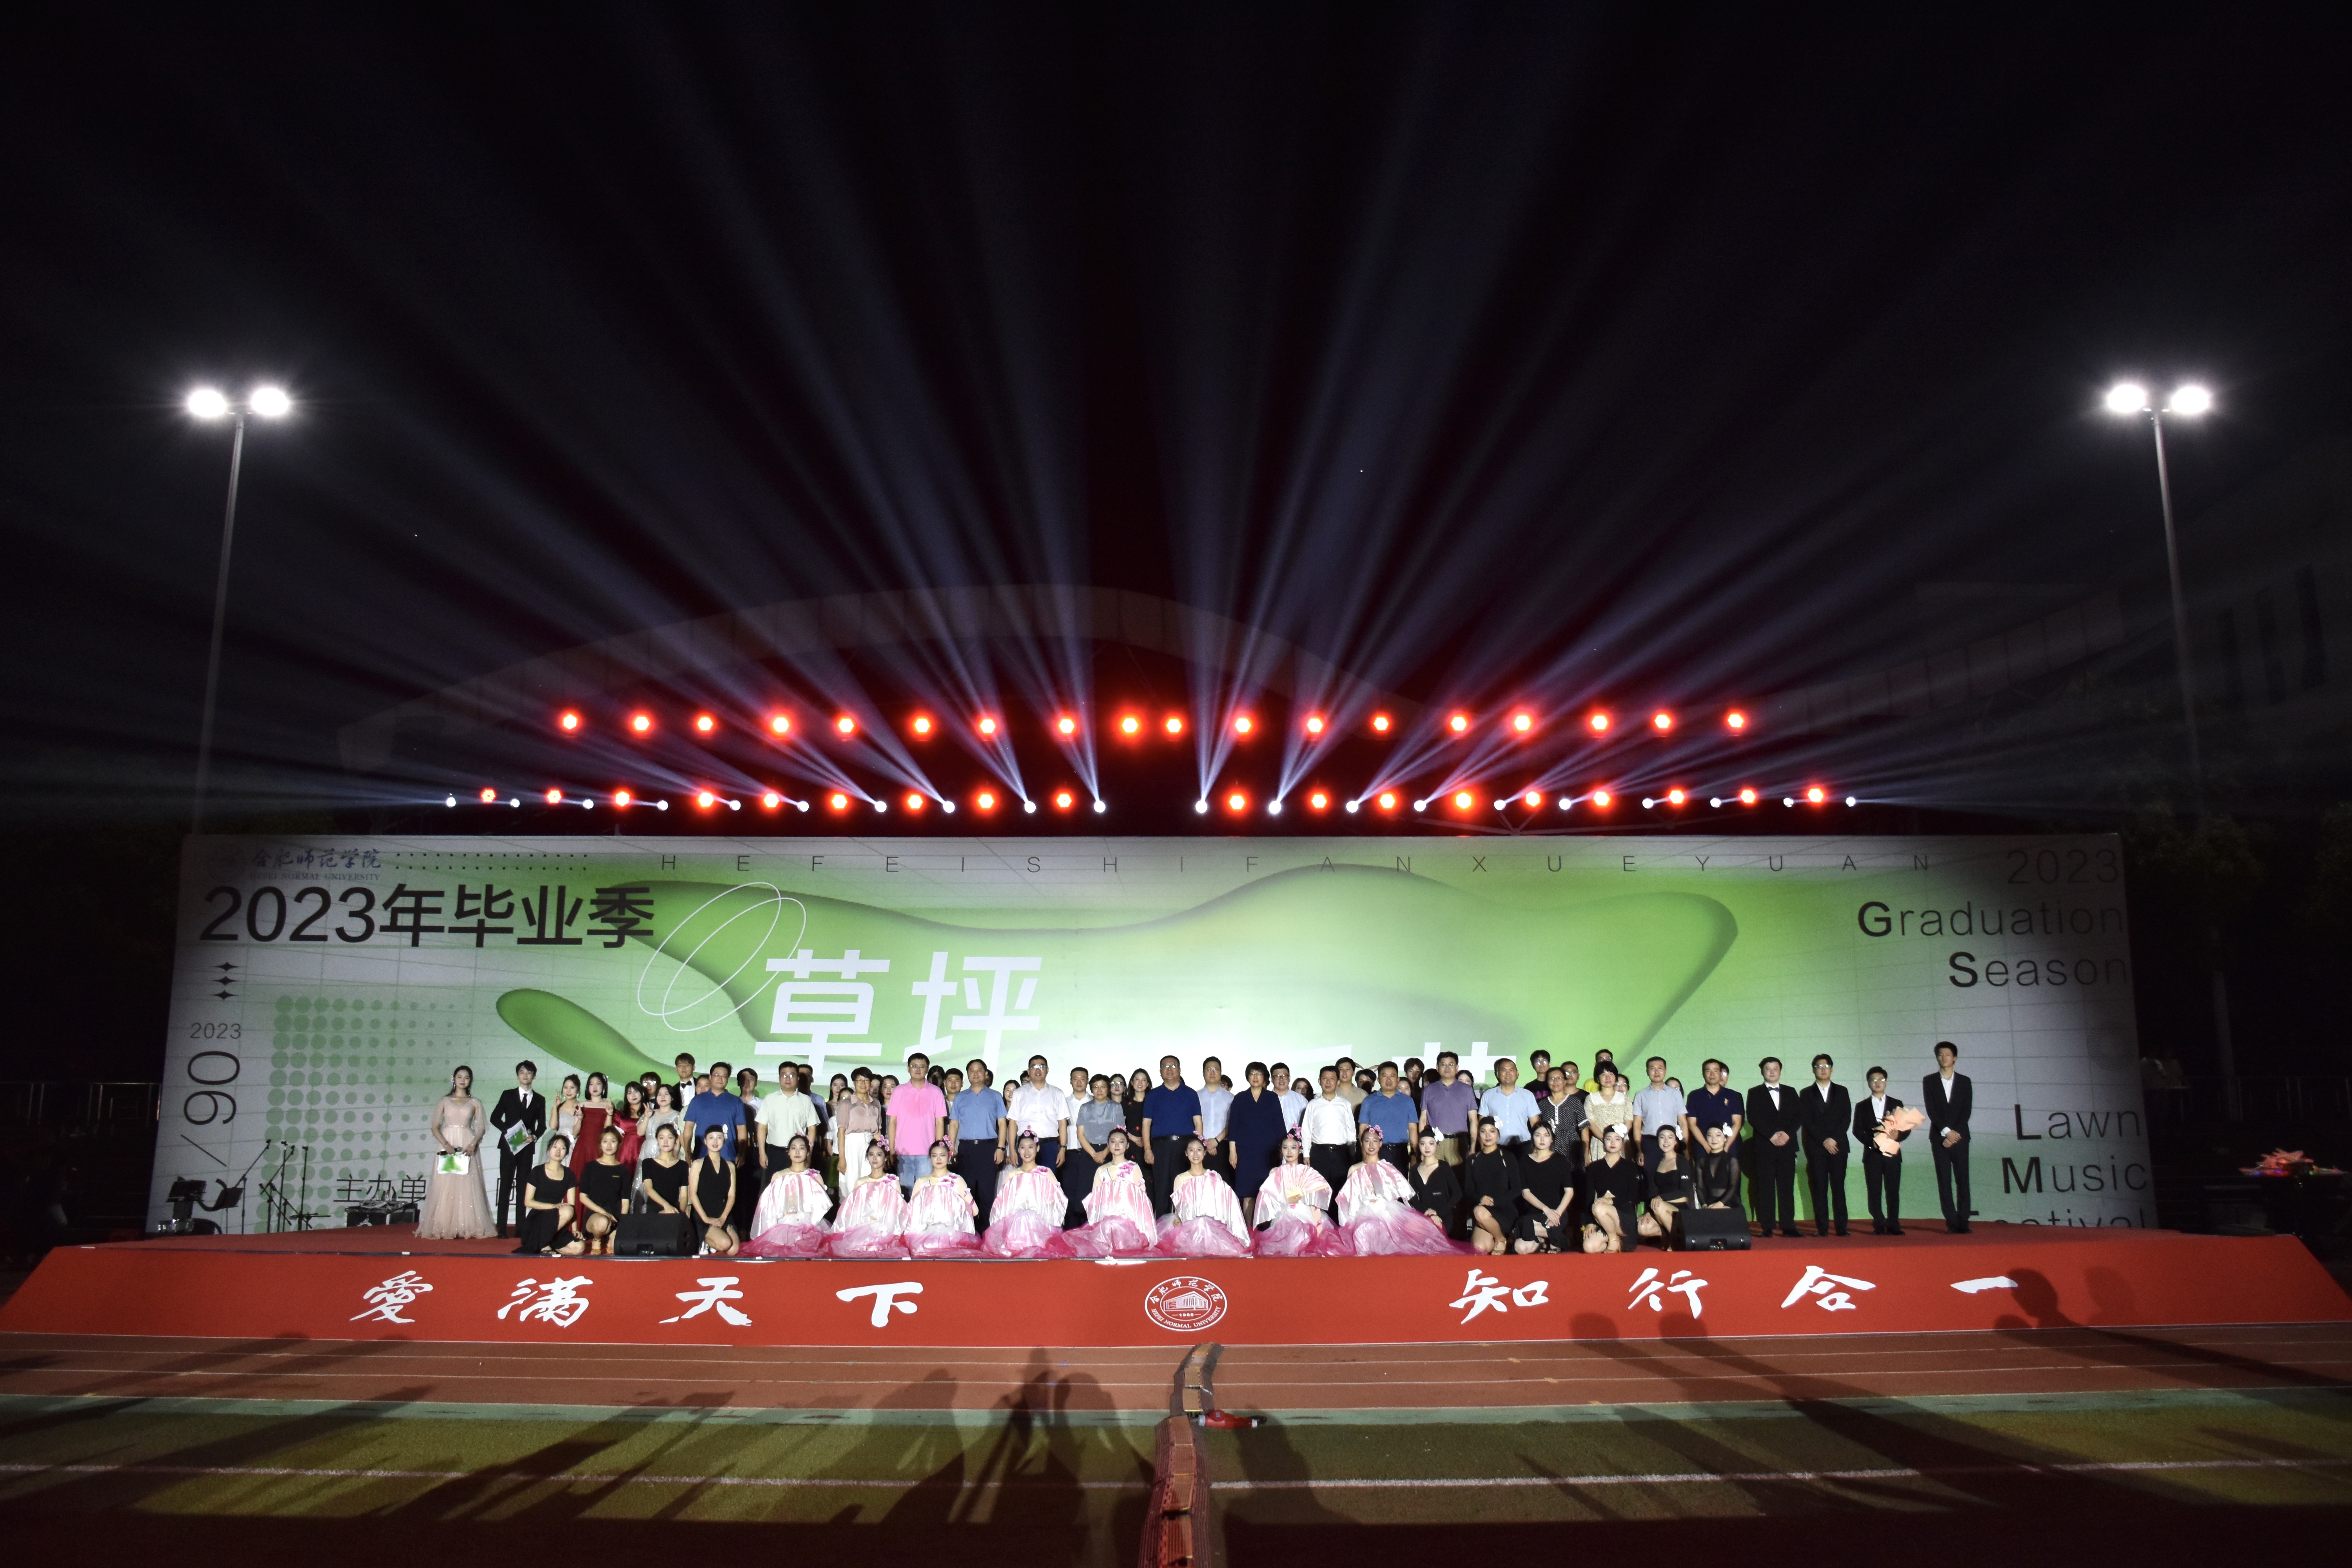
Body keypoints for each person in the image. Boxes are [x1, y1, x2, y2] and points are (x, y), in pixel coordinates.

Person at [1336, 1127, 1455, 1254]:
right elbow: (1348, 1199)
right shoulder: (1355, 1169)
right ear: (1362, 1143)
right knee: (1364, 1230)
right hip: (1362, 1214)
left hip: (1386, 1212)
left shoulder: (1388, 1168)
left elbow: (1405, 1195)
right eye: (1367, 1141)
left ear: (1381, 1143)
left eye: (1375, 1141)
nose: (1371, 1145)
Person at [417, 1065, 497, 1240]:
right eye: (460, 1077)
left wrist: (473, 1144)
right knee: (446, 1184)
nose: (463, 1080)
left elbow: (481, 1128)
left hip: (467, 1144)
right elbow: (435, 1127)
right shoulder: (445, 1101)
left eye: (467, 1078)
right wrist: (446, 1144)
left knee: (467, 1184)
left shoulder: (475, 1102)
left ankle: (466, 1225)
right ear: (453, 1079)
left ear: (471, 1081)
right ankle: (444, 1225)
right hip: (448, 1143)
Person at [1254, 1134, 1348, 1257]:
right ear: (1281, 1151)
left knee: (1304, 1235)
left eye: (1293, 1148)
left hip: (1306, 1214)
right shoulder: (1276, 1172)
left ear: (1300, 1150)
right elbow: (1270, 1200)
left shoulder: (1307, 1172)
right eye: (1285, 1148)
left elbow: (1314, 1202)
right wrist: (1287, 1200)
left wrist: (1318, 1227)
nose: (1289, 1152)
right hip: (1284, 1214)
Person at [985, 1133, 1077, 1258]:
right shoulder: (1013, 1175)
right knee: (1022, 1218)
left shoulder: (1045, 1172)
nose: (1027, 1152)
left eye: (1031, 1147)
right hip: (1016, 1226)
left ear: (1038, 1148)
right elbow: (1002, 1204)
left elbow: (1058, 1199)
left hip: (1041, 1224)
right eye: (1023, 1148)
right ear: (1018, 1150)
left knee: (1028, 1218)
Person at [1068, 1127, 1156, 1256]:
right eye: (1113, 1142)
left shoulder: (1134, 1168)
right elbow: (1095, 1200)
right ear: (1108, 1146)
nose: (1117, 1145)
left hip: (1129, 1219)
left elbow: (1142, 1197)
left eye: (1121, 1142)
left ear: (1127, 1146)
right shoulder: (1102, 1170)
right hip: (1107, 1219)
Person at [742, 1134, 831, 1257]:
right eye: (794, 1148)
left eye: (802, 1148)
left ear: (808, 1152)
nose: (797, 1152)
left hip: (810, 1223)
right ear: (789, 1152)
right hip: (785, 1223)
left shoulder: (815, 1176)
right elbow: (771, 1206)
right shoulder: (779, 1176)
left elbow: (821, 1205)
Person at [1160, 1136, 1251, 1257]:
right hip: (1188, 1225)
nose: (1195, 1154)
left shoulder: (1215, 1177)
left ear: (1205, 1152)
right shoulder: (1181, 1179)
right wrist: (1179, 1220)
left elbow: (1221, 1205)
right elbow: (1178, 1207)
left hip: (1212, 1225)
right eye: (1191, 1150)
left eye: (1199, 1150)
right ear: (1187, 1154)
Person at [1745, 1056, 1802, 1238]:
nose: (1772, 1072)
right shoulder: (1754, 1092)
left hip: (1787, 1146)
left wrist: (1787, 1134)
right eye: (1768, 1069)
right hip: (1765, 1147)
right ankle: (1767, 1226)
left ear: (1780, 1071)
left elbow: (1799, 1116)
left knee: (1787, 1188)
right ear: (1762, 1072)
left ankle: (1789, 1226)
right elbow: (1753, 1117)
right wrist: (1771, 1135)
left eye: (1775, 1068)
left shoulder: (1791, 1092)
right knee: (1766, 1188)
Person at [1223, 1061, 1288, 1220]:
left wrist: (1283, 1152)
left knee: (1269, 1194)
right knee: (1248, 1194)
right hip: (1245, 1153)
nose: (1255, 1077)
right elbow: (1234, 1127)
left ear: (1265, 1077)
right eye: (1252, 1074)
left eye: (1259, 1074)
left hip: (1269, 1154)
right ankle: (1249, 1230)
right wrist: (1232, 1151)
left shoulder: (1272, 1098)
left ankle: (1266, 1230)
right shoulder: (1240, 1098)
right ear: (1248, 1077)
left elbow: (1280, 1126)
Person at [489, 1060, 546, 1239]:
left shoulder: (540, 1100)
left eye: (529, 1073)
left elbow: (542, 1126)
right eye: (522, 1072)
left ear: (534, 1076)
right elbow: (495, 1117)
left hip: (527, 1148)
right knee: (506, 1185)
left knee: (523, 1187)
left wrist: (534, 1137)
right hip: (509, 1146)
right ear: (517, 1076)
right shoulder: (508, 1095)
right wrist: (509, 1131)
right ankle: (502, 1229)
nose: (525, 1075)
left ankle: (521, 1229)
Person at [1140, 1055, 1203, 1216]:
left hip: (1185, 1147)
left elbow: (1198, 1122)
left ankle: (1184, 1226)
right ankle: (1162, 1228)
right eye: (1165, 1066)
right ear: (1160, 1071)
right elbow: (1146, 1124)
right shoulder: (1153, 1095)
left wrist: (1199, 1148)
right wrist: (1148, 1149)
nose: (1169, 1069)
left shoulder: (1191, 1094)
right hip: (1160, 1147)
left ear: (1180, 1070)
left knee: (1184, 1189)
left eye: (1173, 1066)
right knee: (1162, 1191)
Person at [828, 1139, 911, 1258]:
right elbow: (855, 1210)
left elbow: (897, 1209)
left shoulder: (892, 1181)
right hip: (864, 1225)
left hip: (886, 1227)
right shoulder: (861, 1182)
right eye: (871, 1155)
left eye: (879, 1155)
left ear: (886, 1158)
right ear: (867, 1157)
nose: (875, 1158)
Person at [952, 1059, 1012, 1222]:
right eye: (972, 1071)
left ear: (986, 1074)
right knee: (967, 1193)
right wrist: (951, 1148)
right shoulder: (960, 1098)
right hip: (967, 1150)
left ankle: (986, 1231)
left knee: (987, 1193)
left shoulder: (995, 1096)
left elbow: (1002, 1123)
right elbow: (954, 1124)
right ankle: (969, 1231)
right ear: (968, 1075)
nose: (976, 1074)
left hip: (989, 1149)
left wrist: (1001, 1148)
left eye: (979, 1070)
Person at [1923, 1041, 1973, 1234]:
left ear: (1955, 1058)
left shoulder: (1965, 1081)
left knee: (1963, 1179)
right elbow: (1932, 1110)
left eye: (1948, 1054)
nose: (1944, 1058)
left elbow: (1966, 1111)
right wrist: (1946, 1132)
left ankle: (1964, 1220)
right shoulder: (1929, 1081)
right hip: (1939, 1138)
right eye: (1941, 1055)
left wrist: (1954, 1135)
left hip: (1960, 1138)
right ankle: (1951, 1221)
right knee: (1944, 1181)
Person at [902, 1140, 983, 1258]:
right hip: (924, 1235)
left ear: (949, 1156)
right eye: (935, 1156)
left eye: (943, 1155)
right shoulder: (922, 1182)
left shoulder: (957, 1180)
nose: (939, 1159)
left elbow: (974, 1210)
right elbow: (911, 1212)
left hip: (952, 1235)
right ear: (930, 1158)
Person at [1801, 1053, 1853, 1237]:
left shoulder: (1842, 1091)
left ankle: (1842, 1227)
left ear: (1832, 1069)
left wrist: (1834, 1139)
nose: (1823, 1070)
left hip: (1838, 1147)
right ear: (1813, 1070)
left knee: (1838, 1187)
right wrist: (1824, 1140)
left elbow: (1846, 1118)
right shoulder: (1806, 1093)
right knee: (1820, 1188)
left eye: (1826, 1067)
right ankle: (1822, 1228)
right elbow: (1807, 1120)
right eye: (1819, 1067)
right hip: (1817, 1148)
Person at [1854, 1066, 1909, 1234]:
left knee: (1893, 1190)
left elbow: (1906, 1128)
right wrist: (1872, 1143)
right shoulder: (1862, 1106)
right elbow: (1857, 1130)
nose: (1878, 1083)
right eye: (1874, 1080)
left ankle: (1894, 1225)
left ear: (1886, 1082)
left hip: (1892, 1153)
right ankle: (1879, 1224)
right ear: (1868, 1083)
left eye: (1881, 1080)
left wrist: (1898, 1135)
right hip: (1873, 1154)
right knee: (1874, 1190)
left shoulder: (1897, 1104)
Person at [886, 1052, 949, 1196]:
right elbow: (893, 1122)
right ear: (908, 1068)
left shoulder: (936, 1092)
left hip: (927, 1152)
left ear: (927, 1069)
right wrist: (892, 1149)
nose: (918, 1069)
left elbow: (940, 1123)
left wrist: (938, 1149)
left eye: (922, 1067)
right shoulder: (899, 1091)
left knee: (926, 1193)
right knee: (905, 1193)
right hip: (903, 1153)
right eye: (914, 1066)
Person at [1004, 1054, 1069, 1191]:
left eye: (1042, 1067)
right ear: (1029, 1071)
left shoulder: (1057, 1093)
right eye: (1034, 1067)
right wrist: (1013, 1151)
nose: (1038, 1070)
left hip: (1050, 1146)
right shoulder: (1019, 1093)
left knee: (1049, 1187)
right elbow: (1013, 1123)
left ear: (1047, 1070)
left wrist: (1063, 1149)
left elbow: (1063, 1124)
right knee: (1025, 1187)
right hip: (1026, 1146)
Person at [1067, 1073, 1125, 1226]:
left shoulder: (1116, 1107)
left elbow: (1120, 1132)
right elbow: (1080, 1135)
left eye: (1103, 1087)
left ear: (1108, 1089)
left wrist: (1105, 1152)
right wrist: (1094, 1154)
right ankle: (1087, 1228)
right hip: (1089, 1153)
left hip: (1110, 1153)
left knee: (1109, 1193)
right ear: (1092, 1089)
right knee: (1087, 1193)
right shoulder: (1085, 1108)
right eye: (1096, 1087)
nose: (1099, 1090)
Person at [1512, 1121, 1576, 1254]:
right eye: (1538, 1135)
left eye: (1546, 1135)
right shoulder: (1524, 1161)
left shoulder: (1560, 1160)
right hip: (1534, 1214)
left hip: (1557, 1212)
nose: (1542, 1139)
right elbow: (1525, 1193)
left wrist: (1557, 1214)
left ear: (1552, 1139)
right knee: (1521, 1248)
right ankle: (1557, 1238)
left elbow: (1569, 1192)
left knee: (1524, 1228)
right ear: (1532, 1137)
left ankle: (1549, 1237)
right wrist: (1546, 1210)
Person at [757, 1063, 820, 1186]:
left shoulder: (806, 1100)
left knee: (797, 1188)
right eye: (784, 1075)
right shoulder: (770, 1099)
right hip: (775, 1153)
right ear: (779, 1078)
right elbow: (762, 1127)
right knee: (774, 1189)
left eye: (792, 1075)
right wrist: (762, 1153)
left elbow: (812, 1129)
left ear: (798, 1078)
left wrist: (809, 1153)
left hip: (798, 1153)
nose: (787, 1079)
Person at [1299, 1065, 1359, 1196]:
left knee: (1340, 1193)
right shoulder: (1313, 1105)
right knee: (1319, 1192)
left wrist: (1352, 1153)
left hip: (1341, 1154)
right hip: (1319, 1154)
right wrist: (1306, 1154)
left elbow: (1351, 1131)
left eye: (1332, 1079)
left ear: (1338, 1082)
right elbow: (1307, 1131)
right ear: (1319, 1081)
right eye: (1325, 1078)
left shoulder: (1345, 1104)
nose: (1328, 1082)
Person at [1463, 1118, 1520, 1256]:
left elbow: (1517, 1189)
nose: (1488, 1136)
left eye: (1492, 1131)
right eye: (1484, 1132)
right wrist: (1480, 1199)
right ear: (1479, 1135)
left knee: (1479, 1211)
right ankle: (1500, 1236)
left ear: (1498, 1134)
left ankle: (1501, 1240)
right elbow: (1468, 1190)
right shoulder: (1472, 1160)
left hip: (1504, 1210)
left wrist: (1495, 1202)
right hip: (1484, 1212)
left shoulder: (1507, 1157)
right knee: (1480, 1249)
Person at [514, 1133, 577, 1256]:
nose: (558, 1151)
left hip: (557, 1221)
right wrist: (552, 1206)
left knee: (578, 1248)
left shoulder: (569, 1174)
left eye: (563, 1148)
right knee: (567, 1211)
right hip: (538, 1219)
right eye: (555, 1147)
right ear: (549, 1150)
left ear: (567, 1153)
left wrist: (575, 1229)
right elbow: (528, 1202)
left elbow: (572, 1205)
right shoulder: (537, 1171)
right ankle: (543, 1244)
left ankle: (544, 1243)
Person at [686, 1062, 750, 1177]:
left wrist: (742, 1154)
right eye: (717, 1075)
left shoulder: (736, 1102)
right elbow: (689, 1128)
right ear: (710, 1078)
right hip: (701, 1156)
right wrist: (687, 1152)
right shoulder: (697, 1101)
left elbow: (742, 1129)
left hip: (728, 1156)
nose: (721, 1079)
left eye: (724, 1076)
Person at [574, 1125, 631, 1255]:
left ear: (619, 1144)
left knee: (619, 1248)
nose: (609, 1145)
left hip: (616, 1215)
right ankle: (597, 1240)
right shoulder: (591, 1167)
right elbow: (583, 1197)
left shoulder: (623, 1171)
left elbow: (625, 1201)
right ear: (600, 1145)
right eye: (605, 1141)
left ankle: (612, 1236)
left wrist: (621, 1225)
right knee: (602, 1223)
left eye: (613, 1141)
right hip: (596, 1214)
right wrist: (604, 1213)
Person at [1582, 1126, 1640, 1253]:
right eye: (1609, 1139)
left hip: (1624, 1218)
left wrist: (1612, 1202)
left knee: (1599, 1207)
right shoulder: (1594, 1168)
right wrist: (1590, 1223)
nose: (1613, 1143)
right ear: (1603, 1143)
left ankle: (1614, 1239)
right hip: (1603, 1219)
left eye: (1617, 1139)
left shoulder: (1630, 1167)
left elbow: (1634, 1195)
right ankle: (1616, 1240)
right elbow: (1589, 1197)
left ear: (1622, 1144)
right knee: (1589, 1248)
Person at [686, 1124, 740, 1256]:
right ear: (705, 1141)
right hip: (703, 1214)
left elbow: (732, 1196)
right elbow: (693, 1194)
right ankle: (704, 1241)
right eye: (711, 1138)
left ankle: (715, 1239)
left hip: (722, 1213)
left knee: (734, 1250)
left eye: (719, 1138)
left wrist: (724, 1217)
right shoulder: (698, 1164)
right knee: (725, 1243)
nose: (715, 1141)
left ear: (724, 1140)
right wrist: (705, 1218)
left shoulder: (730, 1166)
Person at [1636, 1124, 1693, 1244]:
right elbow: (1652, 1193)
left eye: (1670, 1137)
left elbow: (1684, 1192)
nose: (1666, 1141)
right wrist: (1648, 1213)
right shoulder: (1656, 1164)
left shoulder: (1682, 1162)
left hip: (1678, 1208)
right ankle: (1668, 1235)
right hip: (1659, 1206)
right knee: (1642, 1227)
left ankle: (1675, 1242)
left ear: (1676, 1142)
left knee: (1659, 1206)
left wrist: (1661, 1199)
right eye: (1662, 1137)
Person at [1404, 1129, 1463, 1238]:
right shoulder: (1414, 1170)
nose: (1427, 1148)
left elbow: (1457, 1194)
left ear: (1437, 1146)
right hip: (1424, 1214)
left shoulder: (1444, 1167)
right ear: (1419, 1146)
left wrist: (1438, 1213)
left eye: (1431, 1144)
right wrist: (1428, 1213)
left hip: (1442, 1216)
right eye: (1423, 1144)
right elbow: (1412, 1197)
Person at [1421, 1051, 1477, 1166]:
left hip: (1459, 1143)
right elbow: (1423, 1120)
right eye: (1443, 1064)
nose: (1447, 1068)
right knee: (1435, 1175)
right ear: (1438, 1068)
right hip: (1435, 1143)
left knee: (1458, 1175)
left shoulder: (1467, 1090)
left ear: (1457, 1068)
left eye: (1451, 1064)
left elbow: (1473, 1120)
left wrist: (1473, 1146)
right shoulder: (1429, 1090)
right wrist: (1422, 1147)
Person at [831, 1069, 883, 1190]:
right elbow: (841, 1133)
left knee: (870, 1182)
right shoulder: (847, 1104)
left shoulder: (876, 1104)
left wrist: (882, 1152)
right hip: (852, 1146)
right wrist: (842, 1159)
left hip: (870, 1145)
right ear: (854, 1083)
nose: (863, 1084)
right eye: (860, 1080)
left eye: (866, 1081)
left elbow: (877, 1132)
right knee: (852, 1183)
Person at [1360, 1062, 1418, 1169]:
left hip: (1401, 1153)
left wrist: (1415, 1154)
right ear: (1379, 1080)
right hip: (1377, 1152)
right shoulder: (1369, 1101)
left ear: (1398, 1079)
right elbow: (1363, 1129)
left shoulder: (1408, 1101)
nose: (1389, 1080)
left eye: (1392, 1076)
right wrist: (1365, 1155)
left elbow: (1413, 1128)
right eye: (1385, 1076)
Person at [1631, 1055, 1683, 1176]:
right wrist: (1639, 1149)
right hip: (1650, 1143)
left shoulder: (1676, 1094)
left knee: (1673, 1178)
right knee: (1651, 1178)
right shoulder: (1641, 1095)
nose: (1657, 1072)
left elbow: (1683, 1121)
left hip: (1672, 1142)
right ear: (1647, 1072)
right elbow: (1637, 1125)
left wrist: (1684, 1145)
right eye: (1652, 1068)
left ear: (1665, 1071)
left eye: (1660, 1068)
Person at [1683, 1058, 1744, 1150]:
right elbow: (1692, 1125)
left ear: (1720, 1073)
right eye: (1708, 1071)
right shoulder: (1694, 1096)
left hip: (1728, 1148)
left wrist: (1726, 1147)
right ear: (1703, 1074)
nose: (1712, 1074)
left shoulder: (1733, 1095)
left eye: (1716, 1071)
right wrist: (1707, 1148)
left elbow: (1737, 1123)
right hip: (1703, 1149)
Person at [1478, 1058, 1540, 1147]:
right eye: (1504, 1070)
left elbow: (1535, 1123)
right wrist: (1483, 1147)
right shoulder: (1488, 1095)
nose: (1508, 1073)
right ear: (1498, 1074)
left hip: (1523, 1145)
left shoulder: (1528, 1095)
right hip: (1497, 1145)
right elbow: (1482, 1124)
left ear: (1517, 1073)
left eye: (1511, 1070)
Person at [637, 1122, 690, 1222]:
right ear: (657, 1140)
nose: (666, 1142)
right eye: (662, 1138)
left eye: (670, 1138)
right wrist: (666, 1206)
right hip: (655, 1209)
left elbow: (684, 1196)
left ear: (676, 1140)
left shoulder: (683, 1165)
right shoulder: (648, 1163)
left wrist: (679, 1214)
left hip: (675, 1210)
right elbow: (649, 1190)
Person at [1538, 1067, 1587, 1174]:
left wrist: (1585, 1154)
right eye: (1552, 1079)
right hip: (1550, 1146)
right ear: (1547, 1082)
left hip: (1572, 1147)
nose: (1556, 1082)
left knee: (1573, 1177)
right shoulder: (1542, 1104)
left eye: (1559, 1078)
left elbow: (1584, 1128)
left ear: (1565, 1081)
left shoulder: (1575, 1102)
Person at [1582, 1064, 1634, 1158]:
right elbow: (1591, 1122)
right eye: (1603, 1075)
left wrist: (1618, 1139)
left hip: (1621, 1142)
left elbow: (1629, 1121)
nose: (1608, 1078)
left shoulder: (1624, 1098)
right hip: (1600, 1143)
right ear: (1598, 1079)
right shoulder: (1591, 1099)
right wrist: (1605, 1139)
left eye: (1611, 1074)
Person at [570, 1072, 614, 1179]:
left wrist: (610, 1114)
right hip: (582, 1148)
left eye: (598, 1084)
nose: (595, 1087)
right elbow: (575, 1133)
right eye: (591, 1084)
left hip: (600, 1149)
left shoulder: (608, 1105)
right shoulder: (581, 1105)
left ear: (604, 1087)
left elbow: (608, 1131)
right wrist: (580, 1119)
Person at [1198, 1057, 1234, 1173]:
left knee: (1223, 1182)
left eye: (1216, 1069)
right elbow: (1193, 1123)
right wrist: (1205, 1142)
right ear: (1203, 1073)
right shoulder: (1195, 1096)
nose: (1212, 1072)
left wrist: (1216, 1141)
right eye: (1209, 1070)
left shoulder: (1231, 1098)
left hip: (1223, 1148)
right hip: (1200, 1149)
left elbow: (1233, 1124)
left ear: (1221, 1073)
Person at [1694, 1125, 1742, 1211]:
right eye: (1710, 1136)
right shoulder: (1701, 1161)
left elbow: (1733, 1186)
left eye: (1718, 1135)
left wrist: (1720, 1204)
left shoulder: (1732, 1160)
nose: (1714, 1139)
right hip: (1710, 1204)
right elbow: (1700, 1187)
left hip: (1730, 1203)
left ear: (1725, 1139)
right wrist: (1704, 1205)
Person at [642, 1081, 688, 1164]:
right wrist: (647, 1117)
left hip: (667, 1153)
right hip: (647, 1151)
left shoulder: (677, 1115)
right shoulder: (650, 1112)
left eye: (667, 1094)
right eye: (660, 1095)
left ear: (672, 1098)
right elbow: (640, 1132)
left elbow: (679, 1139)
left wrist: (675, 1157)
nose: (663, 1097)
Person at [546, 1073, 583, 1162]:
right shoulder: (559, 1107)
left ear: (578, 1090)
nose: (569, 1091)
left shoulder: (582, 1107)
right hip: (559, 1144)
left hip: (575, 1145)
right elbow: (553, 1126)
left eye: (572, 1088)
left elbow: (576, 1133)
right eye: (566, 1088)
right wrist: (555, 1107)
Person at [610, 1081, 648, 1170]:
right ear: (626, 1097)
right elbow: (609, 1132)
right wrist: (610, 1114)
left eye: (636, 1092)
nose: (633, 1095)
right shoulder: (620, 1114)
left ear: (642, 1093)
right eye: (630, 1093)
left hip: (644, 1151)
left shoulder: (649, 1113)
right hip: (624, 1152)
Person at [1270, 1063, 1307, 1136]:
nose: (1281, 1079)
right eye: (1277, 1076)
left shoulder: (1301, 1100)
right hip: (1270, 1142)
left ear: (1289, 1078)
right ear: (1272, 1079)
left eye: (1284, 1076)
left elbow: (1307, 1126)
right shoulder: (1265, 1099)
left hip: (1294, 1142)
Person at [1123, 1068, 1154, 1141]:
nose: (1140, 1083)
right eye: (1137, 1079)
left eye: (1144, 1080)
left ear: (1148, 1084)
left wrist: (1145, 1140)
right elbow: (1120, 1126)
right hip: (1129, 1142)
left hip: (1150, 1143)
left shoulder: (1153, 1103)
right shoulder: (1125, 1102)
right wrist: (1133, 1138)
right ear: (1132, 1082)